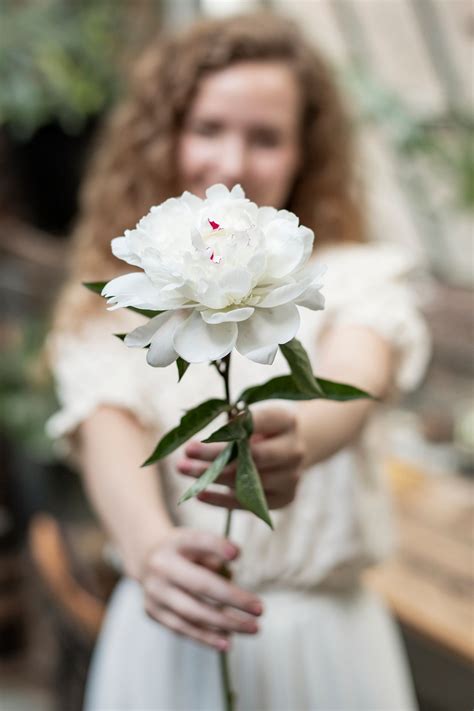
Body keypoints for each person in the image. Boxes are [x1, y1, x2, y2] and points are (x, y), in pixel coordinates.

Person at [46, 12, 431, 711]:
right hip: (171, 630)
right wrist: (150, 547)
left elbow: (355, 379)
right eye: (208, 128)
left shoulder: (349, 278)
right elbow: (108, 427)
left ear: (303, 153)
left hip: (325, 646)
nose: (230, 164)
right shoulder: (119, 298)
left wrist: (295, 440)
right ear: (164, 137)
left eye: (266, 138)